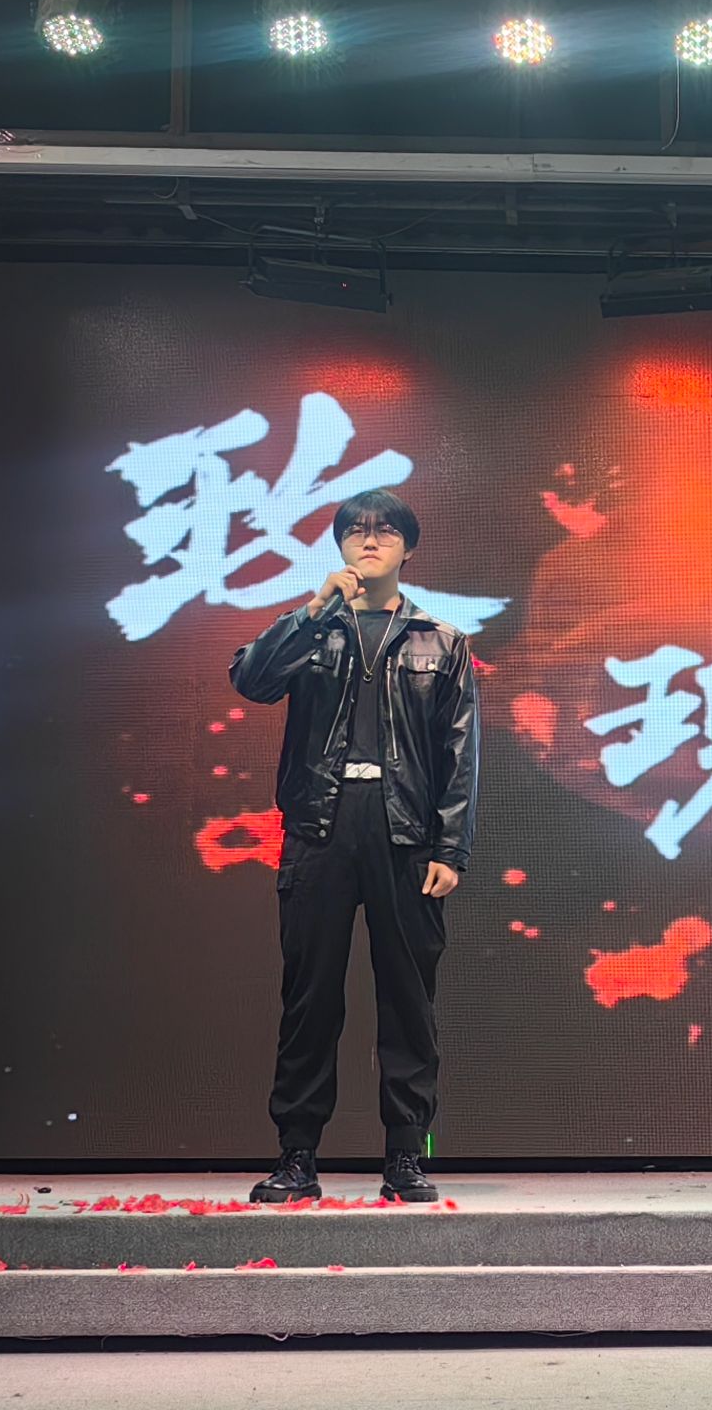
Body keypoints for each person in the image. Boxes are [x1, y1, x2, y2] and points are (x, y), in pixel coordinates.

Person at [230, 489, 480, 1204]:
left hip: (404, 833)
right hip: (321, 827)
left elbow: (460, 754)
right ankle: (296, 1156)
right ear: (339, 547)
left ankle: (406, 1156)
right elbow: (251, 680)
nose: (370, 542)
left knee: (408, 1000)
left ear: (408, 548)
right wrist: (311, 611)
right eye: (357, 532)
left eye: (386, 531)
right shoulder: (313, 629)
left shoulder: (442, 641)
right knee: (309, 996)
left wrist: (449, 848)